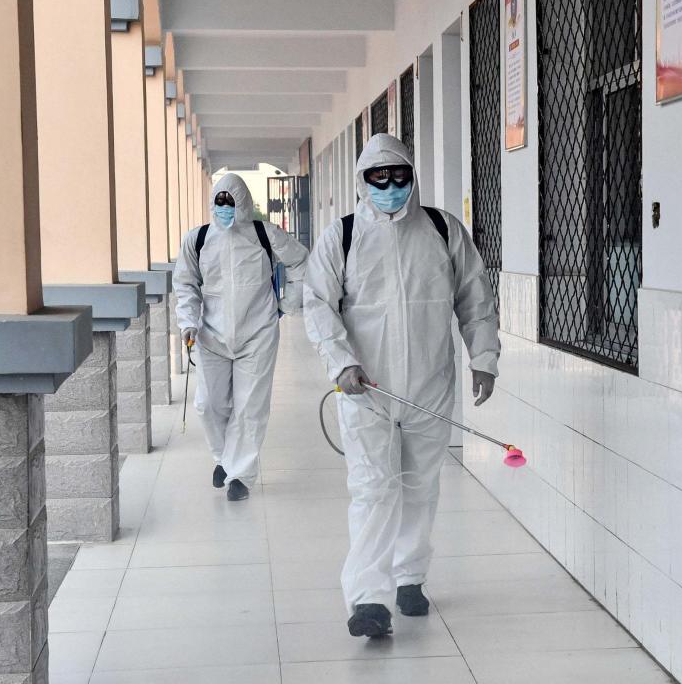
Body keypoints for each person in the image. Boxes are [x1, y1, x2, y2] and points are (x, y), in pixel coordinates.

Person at [303, 134, 500, 637]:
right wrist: (339, 362)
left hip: (429, 385)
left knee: (419, 485)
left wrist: (484, 357)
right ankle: (367, 598)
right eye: (378, 177)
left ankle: (409, 577)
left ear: (412, 176)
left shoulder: (442, 229)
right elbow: (318, 305)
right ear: (362, 180)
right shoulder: (341, 236)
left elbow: (475, 296)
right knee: (372, 489)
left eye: (398, 176)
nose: (389, 186)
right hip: (365, 389)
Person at [174, 173, 309, 501]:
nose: (225, 208)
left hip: (258, 332)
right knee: (209, 405)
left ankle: (241, 476)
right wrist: (188, 321)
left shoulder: (265, 234)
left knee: (250, 407)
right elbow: (186, 283)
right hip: (211, 334)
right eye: (219, 202)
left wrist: (286, 304)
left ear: (243, 202)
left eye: (230, 202)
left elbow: (302, 262)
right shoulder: (198, 239)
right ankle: (224, 458)